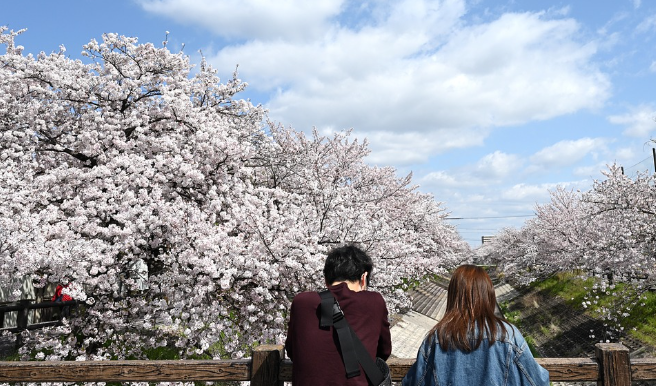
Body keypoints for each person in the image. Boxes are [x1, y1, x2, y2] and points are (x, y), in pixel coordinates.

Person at [402, 265, 550, 386]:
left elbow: (414, 382)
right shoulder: (508, 335)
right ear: (488, 294)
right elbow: (537, 380)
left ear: (453, 295)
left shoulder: (436, 337)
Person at [285, 245, 392, 386]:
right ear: (364, 278)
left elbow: (292, 351)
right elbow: (384, 351)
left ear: (325, 279)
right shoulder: (374, 301)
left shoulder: (301, 302)